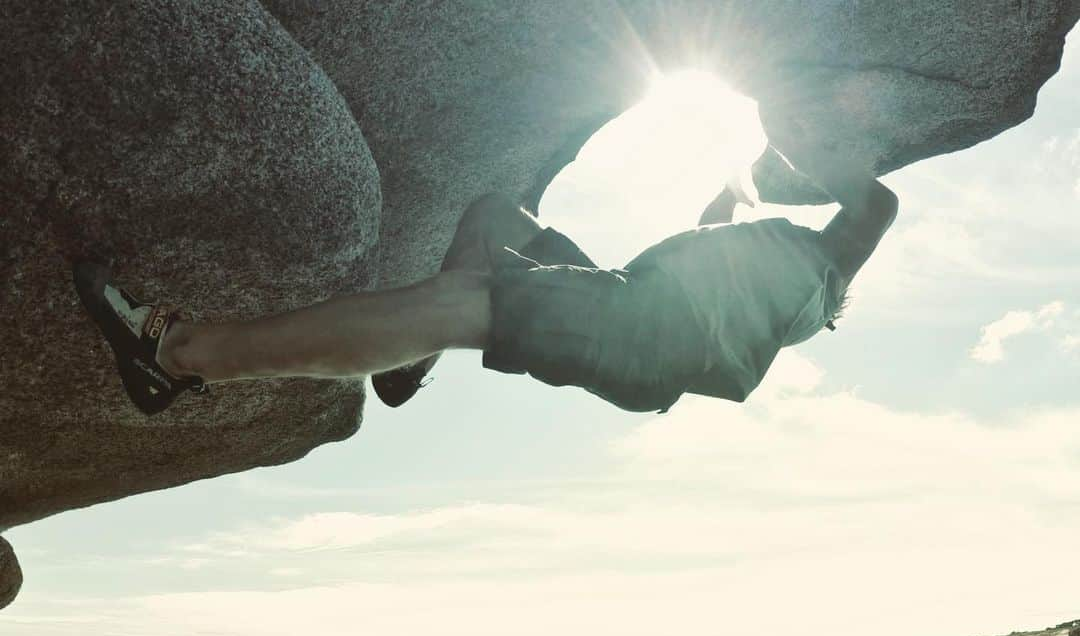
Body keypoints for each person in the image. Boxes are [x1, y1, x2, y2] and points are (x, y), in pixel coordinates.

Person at [73, 128, 897, 418]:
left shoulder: (827, 265)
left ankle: (175, 356)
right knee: (497, 215)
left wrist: (789, 126)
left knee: (459, 300)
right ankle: (405, 369)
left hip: (643, 331)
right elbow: (720, 219)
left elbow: (876, 206)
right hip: (631, 301)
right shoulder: (768, 271)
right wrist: (736, 176)